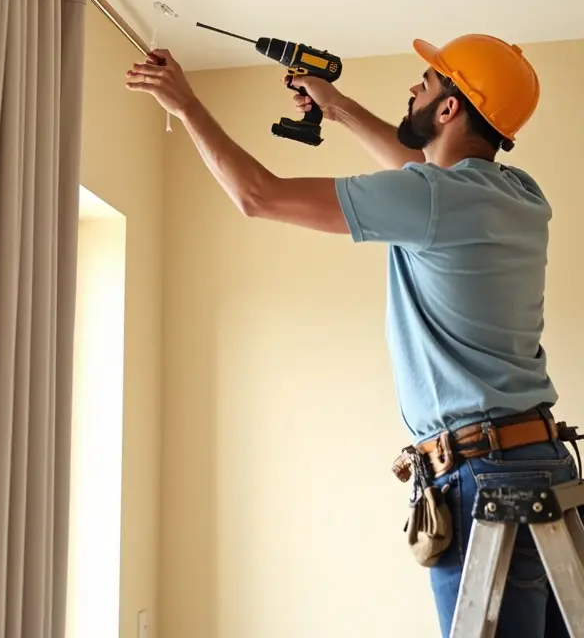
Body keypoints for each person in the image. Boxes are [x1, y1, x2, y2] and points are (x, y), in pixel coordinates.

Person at [125, 32, 577, 638]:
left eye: (429, 82)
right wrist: (333, 106)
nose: (414, 87)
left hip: (484, 476)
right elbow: (421, 172)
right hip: (542, 462)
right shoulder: (520, 195)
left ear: (447, 109)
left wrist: (186, 105)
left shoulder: (434, 199)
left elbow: (258, 196)